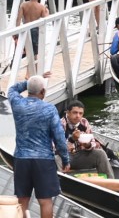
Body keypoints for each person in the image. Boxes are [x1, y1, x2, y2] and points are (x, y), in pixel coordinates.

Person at [9, 74, 70, 218]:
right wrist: (66, 159)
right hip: (43, 160)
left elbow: (12, 89)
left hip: (21, 158)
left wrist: (29, 82)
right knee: (45, 201)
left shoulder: (17, 103)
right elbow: (59, 138)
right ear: (42, 91)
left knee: (22, 199)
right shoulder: (49, 109)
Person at [56, 100, 115, 179]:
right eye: (75, 112)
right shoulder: (59, 124)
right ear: (68, 113)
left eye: (80, 113)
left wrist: (88, 145)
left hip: (80, 155)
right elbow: (55, 148)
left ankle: (110, 182)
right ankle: (61, 184)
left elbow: (93, 143)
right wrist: (71, 140)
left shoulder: (84, 122)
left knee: (100, 153)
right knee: (56, 158)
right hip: (64, 157)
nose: (78, 116)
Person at [14, 0, 48, 78]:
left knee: (27, 52)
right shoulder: (41, 7)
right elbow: (45, 20)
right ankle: (32, 73)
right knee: (35, 53)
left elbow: (18, 20)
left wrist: (17, 33)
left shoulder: (23, 5)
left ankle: (27, 73)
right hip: (35, 31)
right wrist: (46, 11)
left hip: (25, 30)